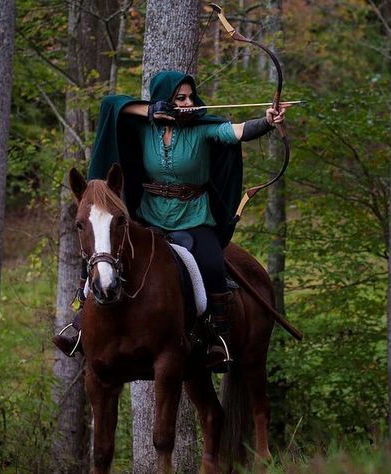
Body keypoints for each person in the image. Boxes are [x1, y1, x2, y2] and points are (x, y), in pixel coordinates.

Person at [53, 70, 287, 372]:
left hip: (193, 217)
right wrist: (150, 110)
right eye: (181, 98)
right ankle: (80, 325)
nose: (189, 102)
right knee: (105, 252)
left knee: (213, 263)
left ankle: (219, 338)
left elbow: (237, 131)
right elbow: (111, 104)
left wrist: (267, 121)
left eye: (190, 97)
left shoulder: (204, 129)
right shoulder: (145, 128)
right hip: (150, 218)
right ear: (165, 101)